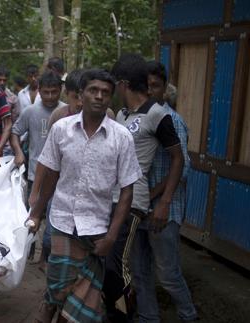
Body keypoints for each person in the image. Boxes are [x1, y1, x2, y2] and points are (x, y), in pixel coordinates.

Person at [28, 69, 141, 323]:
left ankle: (56, 314)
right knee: (58, 284)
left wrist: (112, 236)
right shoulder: (61, 129)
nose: (99, 96)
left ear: (111, 98)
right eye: (93, 90)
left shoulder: (121, 137)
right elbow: (51, 175)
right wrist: (35, 214)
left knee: (80, 301)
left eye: (105, 93)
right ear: (81, 95)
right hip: (62, 220)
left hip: (96, 229)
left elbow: (127, 190)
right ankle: (49, 306)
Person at [103, 54, 184, 322]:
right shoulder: (124, 115)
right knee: (111, 262)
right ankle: (117, 313)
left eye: (114, 85)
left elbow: (178, 158)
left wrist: (164, 201)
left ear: (124, 84)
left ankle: (122, 316)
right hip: (111, 197)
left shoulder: (157, 114)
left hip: (133, 199)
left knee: (119, 263)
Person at [129, 61, 197, 323]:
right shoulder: (139, 118)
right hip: (140, 208)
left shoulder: (171, 119)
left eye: (155, 86)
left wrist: (161, 201)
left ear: (164, 88)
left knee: (168, 274)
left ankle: (188, 315)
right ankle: (148, 317)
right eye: (146, 87)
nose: (150, 91)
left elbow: (183, 167)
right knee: (140, 271)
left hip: (164, 209)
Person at [11, 71, 66, 266]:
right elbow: (15, 133)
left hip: (61, 177)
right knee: (32, 217)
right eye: (46, 92)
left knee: (53, 219)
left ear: (61, 90)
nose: (50, 97)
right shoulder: (31, 112)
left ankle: (46, 257)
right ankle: (27, 253)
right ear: (39, 91)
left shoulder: (67, 111)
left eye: (54, 92)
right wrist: (18, 153)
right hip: (36, 173)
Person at [49, 69, 115, 126]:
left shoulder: (107, 114)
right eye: (75, 97)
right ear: (66, 93)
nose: (80, 103)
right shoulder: (58, 116)